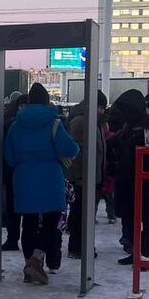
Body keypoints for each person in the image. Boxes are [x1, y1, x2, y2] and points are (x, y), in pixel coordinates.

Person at [5, 83, 80, 284]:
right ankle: (35, 261)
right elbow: (70, 149)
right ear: (47, 102)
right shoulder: (54, 124)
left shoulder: (15, 125)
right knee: (50, 222)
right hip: (50, 179)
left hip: (24, 179)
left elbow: (9, 157)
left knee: (28, 223)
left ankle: (30, 264)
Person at [109, 88, 149, 265]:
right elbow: (118, 141)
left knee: (144, 215)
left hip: (143, 176)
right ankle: (136, 250)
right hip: (128, 175)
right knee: (130, 214)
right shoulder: (130, 124)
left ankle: (146, 253)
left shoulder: (148, 124)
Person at [64, 89, 107, 259]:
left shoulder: (93, 121)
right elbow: (76, 151)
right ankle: (77, 247)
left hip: (91, 175)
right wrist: (80, 176)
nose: (102, 111)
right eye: (101, 107)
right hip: (81, 177)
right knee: (79, 213)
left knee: (85, 213)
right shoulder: (80, 121)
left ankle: (84, 245)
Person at [1, 91, 25, 250]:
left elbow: (6, 148)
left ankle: (12, 238)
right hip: (27, 171)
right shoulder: (51, 123)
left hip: (12, 170)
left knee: (12, 205)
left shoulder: (10, 123)